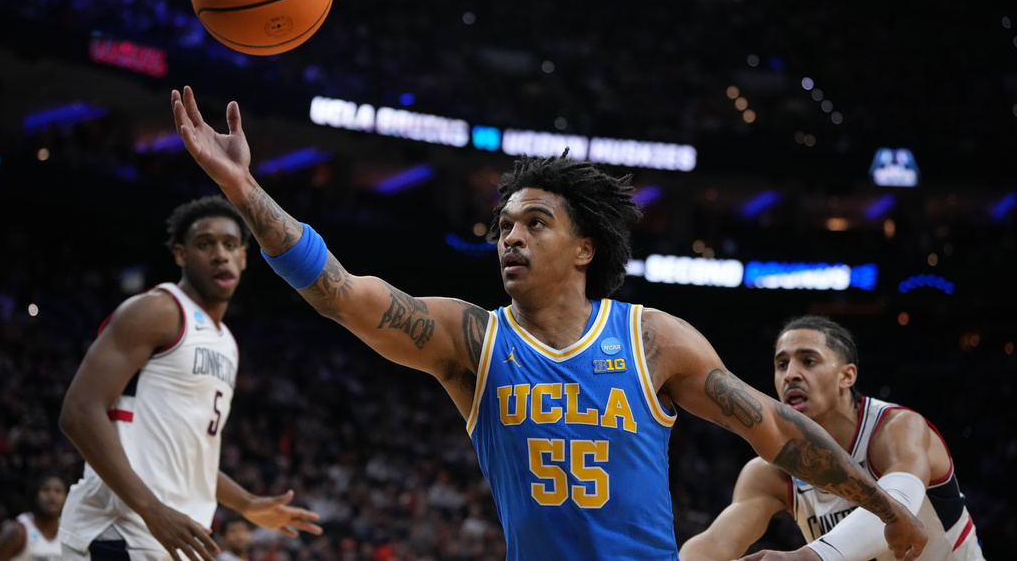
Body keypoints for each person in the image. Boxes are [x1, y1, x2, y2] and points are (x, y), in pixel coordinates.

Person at [171, 85, 927, 561]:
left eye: (535, 222)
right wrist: (243, 189)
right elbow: (339, 292)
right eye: (504, 224)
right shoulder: (472, 339)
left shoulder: (654, 338)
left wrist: (881, 503)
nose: (511, 236)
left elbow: (775, 429)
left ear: (584, 248)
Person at [57, 195, 322, 561]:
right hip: (119, 531)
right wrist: (151, 509)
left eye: (230, 245)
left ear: (244, 258)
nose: (220, 255)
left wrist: (247, 503)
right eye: (205, 244)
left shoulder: (226, 342)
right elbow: (80, 411)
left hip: (171, 535)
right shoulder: (156, 311)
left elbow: (188, 456)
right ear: (181, 255)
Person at [679, 314, 986, 561]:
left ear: (847, 376)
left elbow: (898, 507)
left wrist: (806, 557)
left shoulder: (896, 428)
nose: (791, 375)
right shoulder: (768, 473)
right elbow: (714, 545)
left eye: (808, 361)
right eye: (782, 365)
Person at [0, 473, 68, 561]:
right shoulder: (18, 531)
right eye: (46, 490)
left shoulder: (68, 532)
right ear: (36, 497)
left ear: (66, 498)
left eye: (58, 491)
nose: (52, 495)